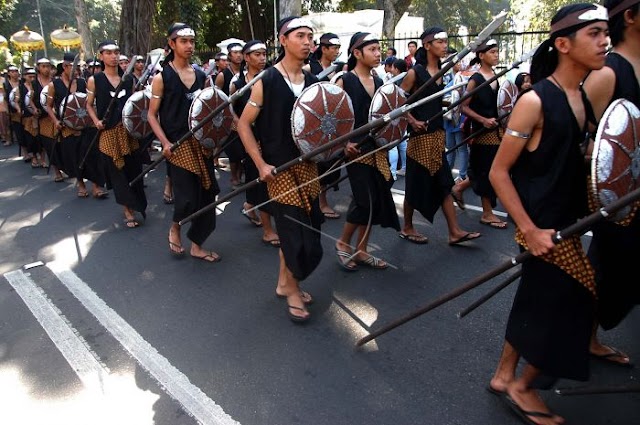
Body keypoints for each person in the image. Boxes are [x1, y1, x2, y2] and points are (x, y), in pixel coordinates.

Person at [488, 5, 609, 425]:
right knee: (577, 302)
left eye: (605, 32)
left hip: (569, 221)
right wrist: (529, 229)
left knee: (535, 299)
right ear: (563, 44)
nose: (603, 41)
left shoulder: (585, 99)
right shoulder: (534, 101)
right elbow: (498, 172)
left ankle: (505, 375)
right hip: (540, 225)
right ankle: (524, 387)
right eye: (593, 33)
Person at [237, 16, 321, 323]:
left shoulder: (314, 84)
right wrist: (260, 164)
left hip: (309, 168)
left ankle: (285, 282)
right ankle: (293, 289)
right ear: (283, 39)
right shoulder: (266, 81)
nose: (307, 41)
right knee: (294, 230)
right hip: (278, 171)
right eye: (300, 35)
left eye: (310, 36)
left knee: (308, 227)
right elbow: (244, 125)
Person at [582, 0, 640, 367]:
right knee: (606, 269)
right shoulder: (608, 73)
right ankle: (579, 337)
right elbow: (574, 131)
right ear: (631, 16)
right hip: (617, 199)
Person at [398, 27, 481, 246]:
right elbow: (399, 102)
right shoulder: (415, 72)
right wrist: (413, 121)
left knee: (444, 183)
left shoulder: (443, 71)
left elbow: (432, 99)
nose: (445, 46)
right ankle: (407, 226)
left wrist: (446, 104)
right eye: (440, 42)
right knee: (414, 186)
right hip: (419, 139)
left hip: (437, 136)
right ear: (427, 45)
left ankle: (454, 231)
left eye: (446, 42)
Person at [146, 23, 221, 261]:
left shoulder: (201, 75)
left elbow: (210, 109)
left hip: (201, 144)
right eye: (183, 41)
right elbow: (151, 115)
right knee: (187, 197)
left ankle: (197, 244)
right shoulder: (162, 78)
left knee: (208, 195)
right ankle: (176, 227)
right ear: (171, 44)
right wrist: (164, 143)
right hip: (177, 146)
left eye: (192, 41)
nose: (189, 46)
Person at [333, 32, 400, 270]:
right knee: (364, 201)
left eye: (378, 49)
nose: (378, 53)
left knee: (375, 199)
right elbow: (330, 118)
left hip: (376, 149)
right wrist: (343, 144)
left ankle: (361, 249)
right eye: (372, 49)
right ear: (357, 53)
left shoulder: (380, 82)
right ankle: (343, 243)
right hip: (354, 150)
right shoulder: (344, 80)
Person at [86, 40, 147, 227]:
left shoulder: (128, 79)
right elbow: (88, 104)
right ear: (101, 56)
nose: (113, 56)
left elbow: (136, 103)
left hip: (128, 131)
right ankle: (127, 209)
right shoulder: (94, 80)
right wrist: (96, 121)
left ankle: (136, 203)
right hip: (109, 132)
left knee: (133, 168)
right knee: (117, 171)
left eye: (116, 52)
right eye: (109, 53)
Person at [230, 40, 280, 247]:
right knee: (259, 182)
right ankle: (268, 230)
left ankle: (249, 206)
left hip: (271, 137)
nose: (261, 58)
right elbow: (230, 109)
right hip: (250, 140)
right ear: (246, 57)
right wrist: (238, 124)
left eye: (264, 54)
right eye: (257, 54)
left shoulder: (271, 79)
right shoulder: (237, 83)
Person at [454, 39, 508, 228]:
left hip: (497, 131)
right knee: (487, 171)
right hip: (482, 133)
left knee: (486, 169)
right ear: (481, 55)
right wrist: (483, 120)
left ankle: (459, 187)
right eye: (492, 52)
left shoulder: (496, 76)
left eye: (497, 51)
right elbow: (464, 107)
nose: (496, 55)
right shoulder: (475, 79)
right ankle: (487, 213)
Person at [307, 32, 343, 220]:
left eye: (338, 48)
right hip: (314, 123)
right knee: (316, 164)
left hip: (334, 123)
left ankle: (322, 199)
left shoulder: (341, 69)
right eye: (334, 48)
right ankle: (318, 202)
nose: (336, 51)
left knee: (331, 164)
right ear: (323, 48)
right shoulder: (309, 68)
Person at [216, 42, 245, 188]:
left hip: (245, 114)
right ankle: (234, 177)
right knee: (233, 150)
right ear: (229, 55)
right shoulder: (223, 75)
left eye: (241, 52)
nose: (239, 55)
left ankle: (240, 175)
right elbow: (216, 97)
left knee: (243, 148)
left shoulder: (246, 72)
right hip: (229, 116)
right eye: (235, 52)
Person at [33, 57, 65, 182]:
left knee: (61, 145)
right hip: (44, 119)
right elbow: (30, 100)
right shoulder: (35, 84)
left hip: (58, 117)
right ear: (38, 68)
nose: (46, 69)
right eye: (43, 66)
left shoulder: (56, 82)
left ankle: (64, 167)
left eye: (48, 66)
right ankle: (57, 171)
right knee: (50, 145)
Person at [388, 59, 408, 179]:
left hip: (396, 114)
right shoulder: (407, 78)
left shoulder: (397, 81)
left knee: (393, 144)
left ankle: (393, 172)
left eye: (393, 68)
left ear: (396, 69)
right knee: (402, 144)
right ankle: (404, 167)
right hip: (404, 115)